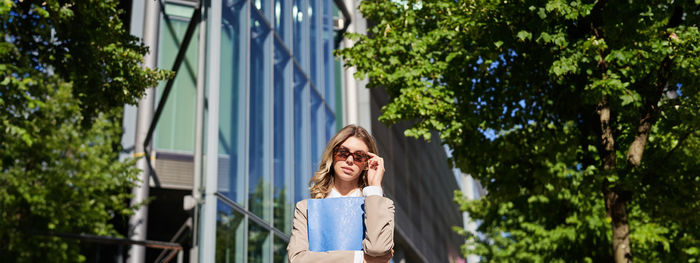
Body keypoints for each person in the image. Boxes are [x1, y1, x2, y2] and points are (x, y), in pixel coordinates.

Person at [287, 125, 395, 263]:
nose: (349, 160)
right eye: (343, 152)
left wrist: (374, 187)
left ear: (366, 164)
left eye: (359, 156)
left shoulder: (382, 206)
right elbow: (298, 260)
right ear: (332, 154)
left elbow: (377, 249)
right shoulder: (306, 209)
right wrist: (360, 259)